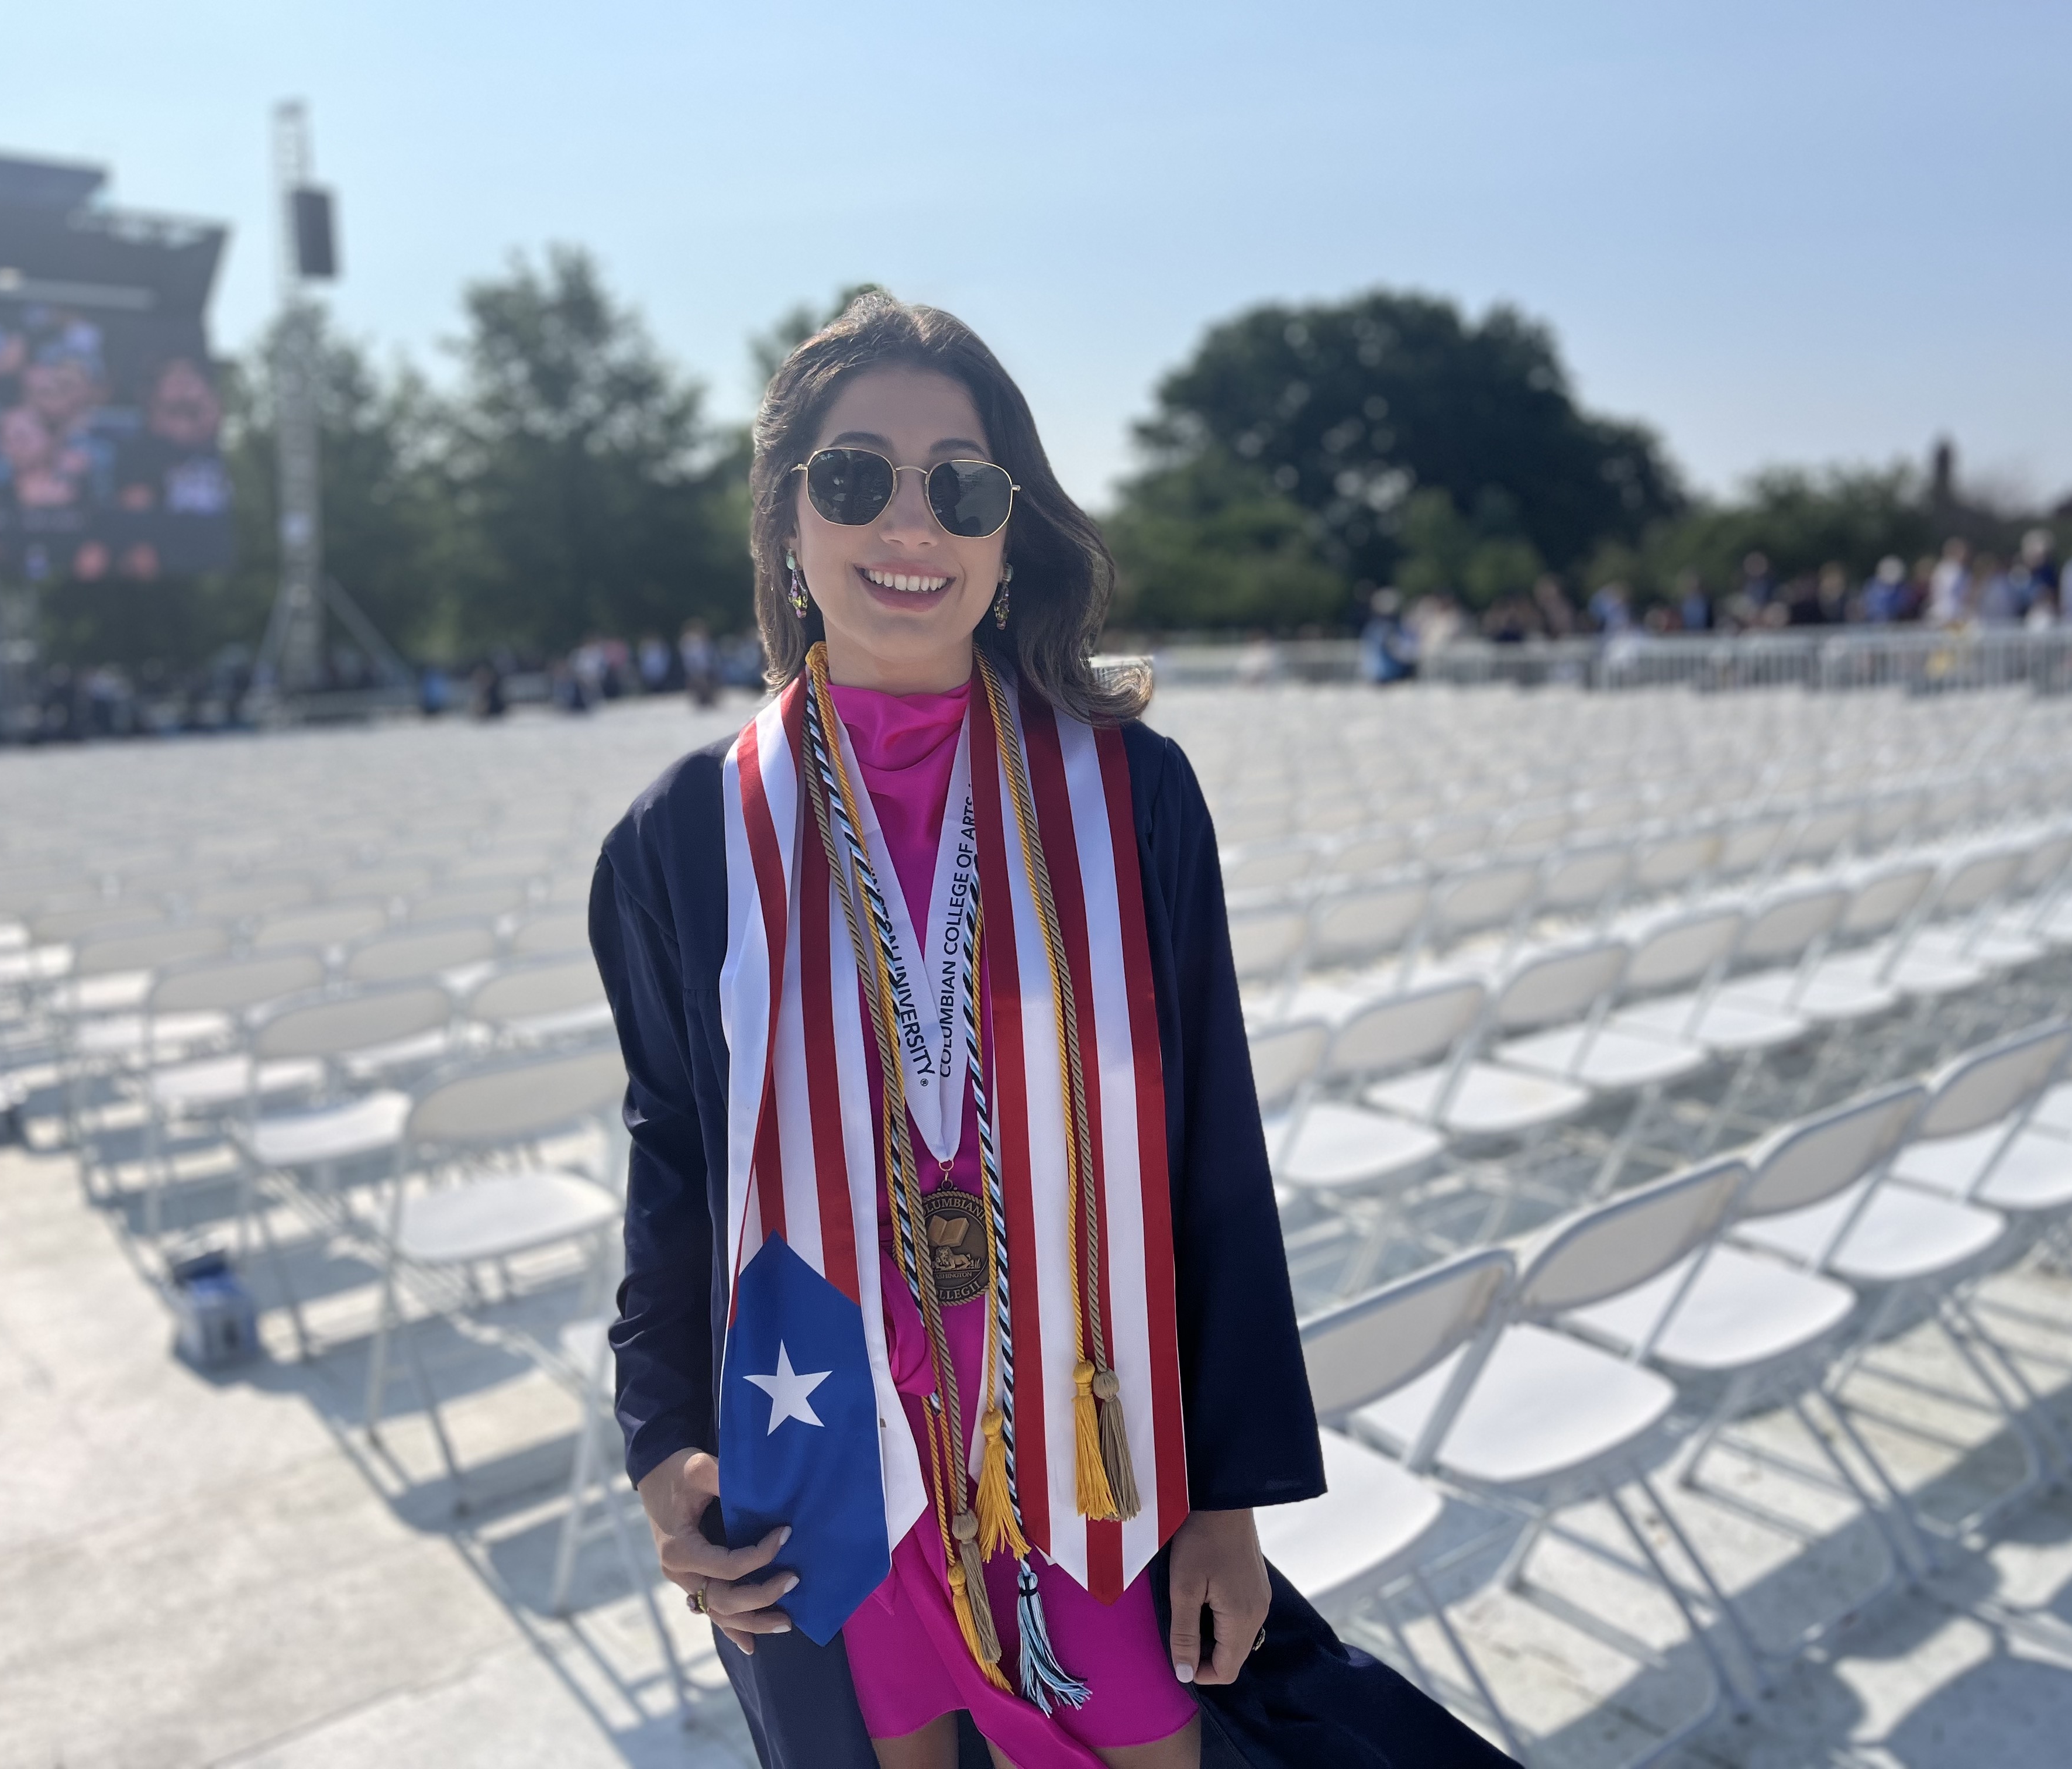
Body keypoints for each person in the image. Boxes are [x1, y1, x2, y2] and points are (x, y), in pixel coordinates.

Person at [588, 293, 1503, 1769]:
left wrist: (1229, 1498)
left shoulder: (1129, 799)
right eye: (852, 477)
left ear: (1010, 532)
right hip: (831, 1476)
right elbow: (677, 1165)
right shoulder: (687, 841)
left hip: (1097, 1475)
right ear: (784, 521)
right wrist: (661, 1443)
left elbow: (1212, 1151)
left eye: (960, 484)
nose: (910, 521)